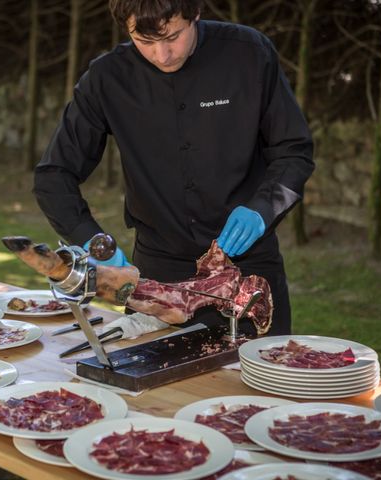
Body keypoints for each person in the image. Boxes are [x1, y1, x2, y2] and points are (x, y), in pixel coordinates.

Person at [33, 0, 314, 336]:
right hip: (156, 276)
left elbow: (293, 151)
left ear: (194, 13)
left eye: (172, 37)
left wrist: (263, 209)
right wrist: (94, 243)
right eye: (145, 42)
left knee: (260, 386)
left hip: (248, 271)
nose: (162, 55)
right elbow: (54, 175)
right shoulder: (107, 78)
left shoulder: (249, 54)